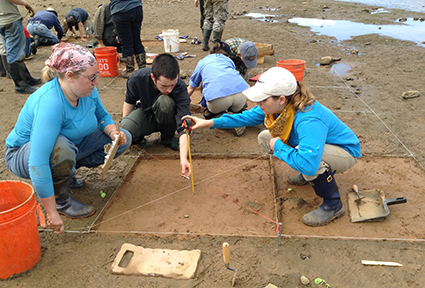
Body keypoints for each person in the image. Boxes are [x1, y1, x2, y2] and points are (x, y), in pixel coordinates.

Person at [183, 67, 361, 227]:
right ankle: (310, 174)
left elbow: (308, 162)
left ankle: (333, 204)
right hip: (314, 145)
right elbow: (244, 118)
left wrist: (279, 147)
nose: (258, 104)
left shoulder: (309, 118)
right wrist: (208, 122)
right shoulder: (280, 105)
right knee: (265, 137)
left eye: (262, 100)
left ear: (281, 99)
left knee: (308, 164)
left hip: (344, 151)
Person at [4, 43, 132, 234]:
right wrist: (52, 212)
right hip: (23, 154)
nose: (96, 82)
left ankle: (66, 174)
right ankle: (61, 200)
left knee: (125, 138)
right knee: (61, 149)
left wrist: (114, 132)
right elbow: (37, 162)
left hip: (71, 145)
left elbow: (103, 116)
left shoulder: (87, 90)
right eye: (91, 77)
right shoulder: (51, 103)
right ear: (70, 76)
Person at [120, 53, 191, 177]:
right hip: (146, 114)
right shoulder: (137, 78)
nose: (169, 89)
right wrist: (122, 131)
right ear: (153, 77)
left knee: (165, 101)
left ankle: (167, 137)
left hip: (168, 115)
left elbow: (184, 122)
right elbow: (129, 102)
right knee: (126, 128)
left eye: (172, 85)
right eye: (164, 85)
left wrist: (184, 158)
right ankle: (137, 137)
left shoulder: (179, 87)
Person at [187, 42, 248, 136]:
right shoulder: (229, 61)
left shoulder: (203, 62)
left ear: (210, 53)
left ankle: (221, 117)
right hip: (239, 96)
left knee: (210, 114)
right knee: (239, 106)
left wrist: (181, 104)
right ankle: (238, 116)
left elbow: (191, 87)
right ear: (228, 56)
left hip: (217, 100)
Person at [0, 0, 41, 94]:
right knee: (15, 53)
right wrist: (25, 4)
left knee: (12, 51)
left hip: (2, 21)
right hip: (10, 19)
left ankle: (27, 79)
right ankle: (21, 86)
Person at [110, 0, 146, 78]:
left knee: (126, 42)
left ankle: (130, 70)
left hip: (120, 10)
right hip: (137, 8)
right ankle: (142, 68)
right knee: (136, 39)